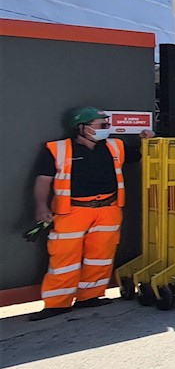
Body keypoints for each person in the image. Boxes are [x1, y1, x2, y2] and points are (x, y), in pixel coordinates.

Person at [30, 107, 130, 320]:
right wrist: (41, 206)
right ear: (81, 128)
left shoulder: (115, 146)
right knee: (64, 258)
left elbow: (140, 154)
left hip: (108, 210)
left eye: (106, 125)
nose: (106, 129)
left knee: (101, 256)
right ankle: (57, 304)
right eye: (100, 125)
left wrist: (147, 138)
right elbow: (43, 180)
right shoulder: (57, 149)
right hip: (72, 211)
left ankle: (90, 296)